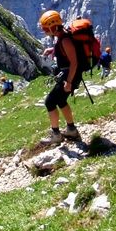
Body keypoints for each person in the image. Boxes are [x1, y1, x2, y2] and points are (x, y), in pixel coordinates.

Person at [38, 10, 82, 144]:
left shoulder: (65, 40)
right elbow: (66, 53)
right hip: (70, 75)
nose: (45, 31)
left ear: (52, 26)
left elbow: (74, 62)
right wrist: (53, 50)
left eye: (46, 28)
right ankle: (71, 130)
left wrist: (68, 82)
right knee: (61, 101)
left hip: (70, 76)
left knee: (49, 101)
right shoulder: (63, 36)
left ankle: (56, 135)